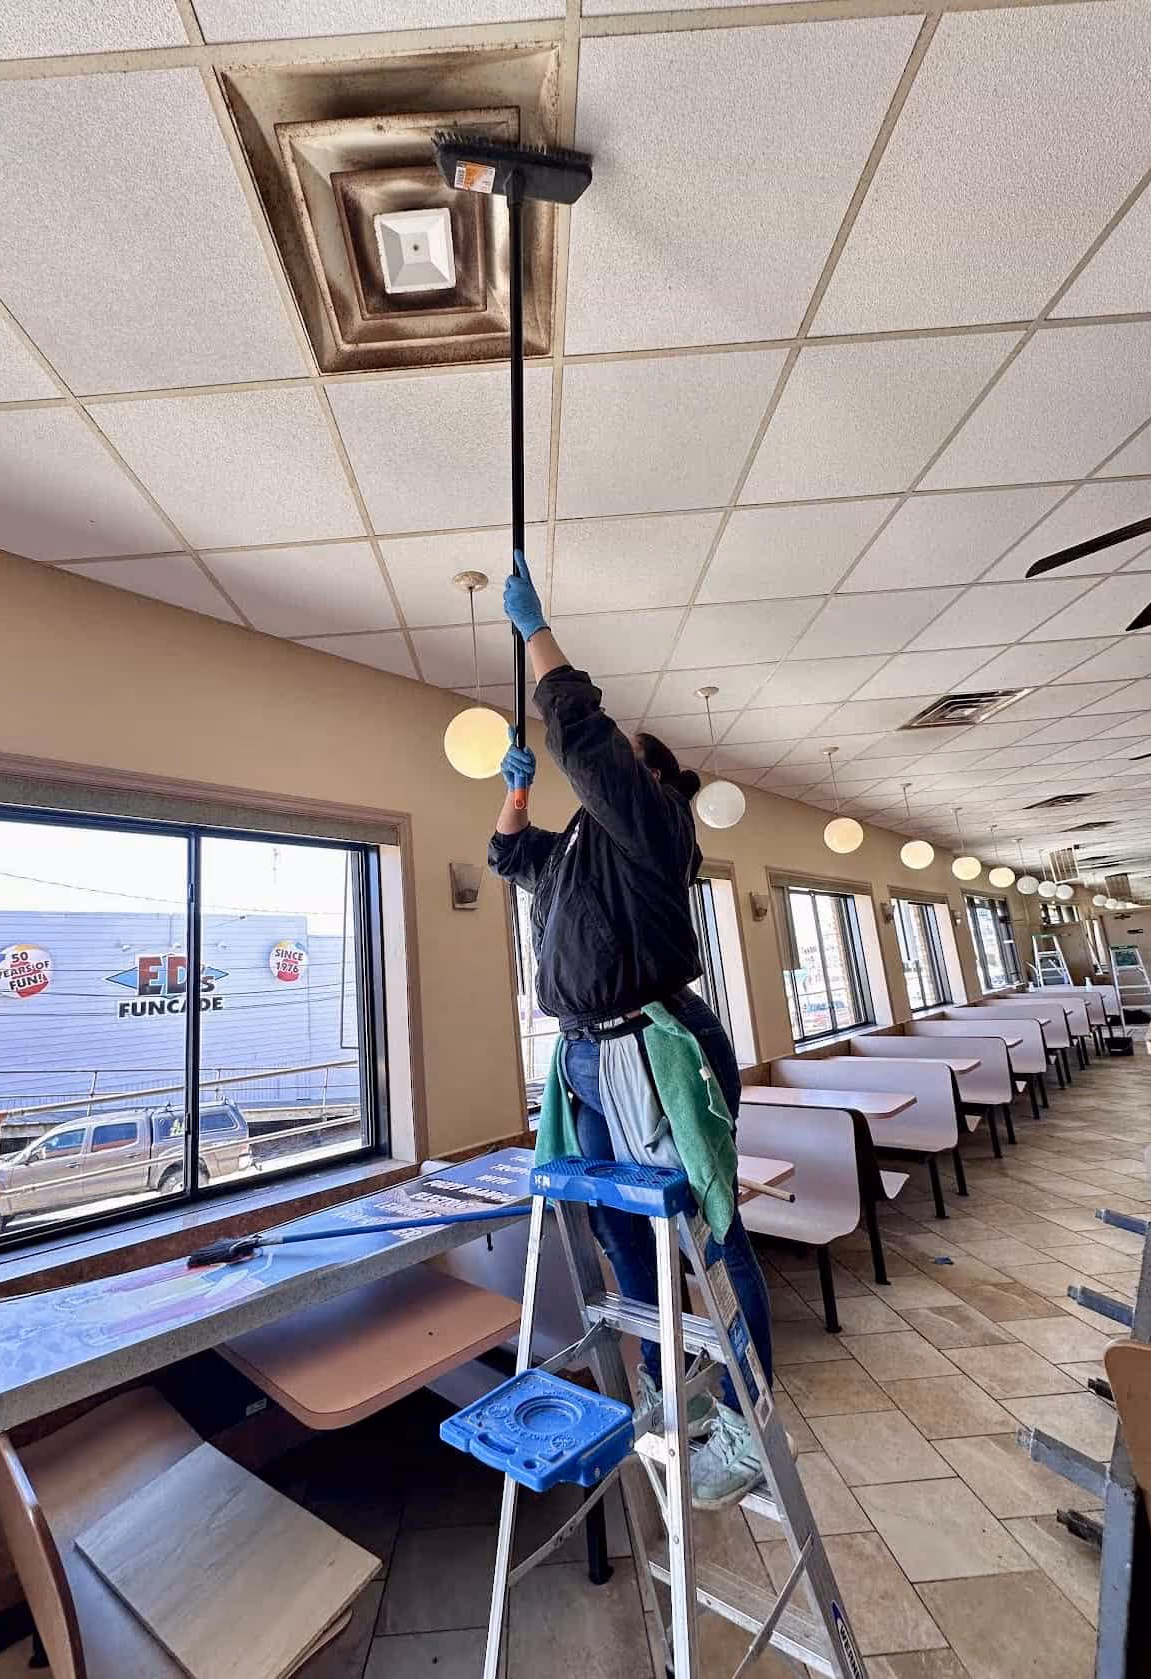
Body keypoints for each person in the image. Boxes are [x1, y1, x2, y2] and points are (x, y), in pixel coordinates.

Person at [487, 553, 774, 1508]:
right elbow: (510, 856)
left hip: (652, 1047)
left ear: (647, 784)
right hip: (583, 1054)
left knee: (712, 1234)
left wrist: (537, 633)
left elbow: (583, 732)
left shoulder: (654, 827)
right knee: (620, 1233)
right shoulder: (582, 854)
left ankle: (744, 1416)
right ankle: (673, 1391)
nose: (597, 785)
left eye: (616, 773)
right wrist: (516, 794)